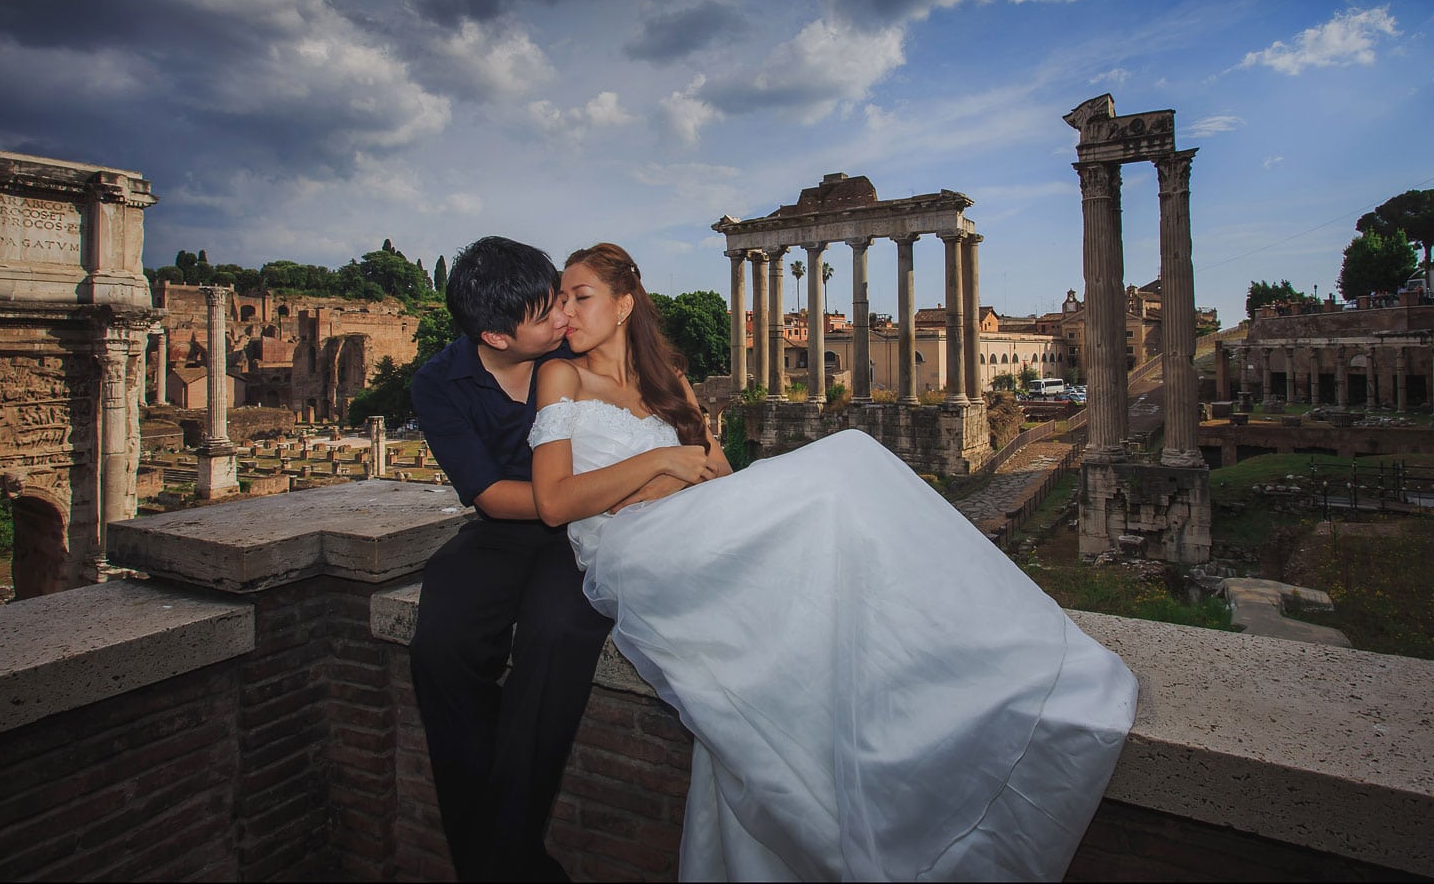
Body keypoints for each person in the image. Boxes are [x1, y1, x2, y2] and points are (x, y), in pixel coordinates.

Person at [527, 243, 1139, 881]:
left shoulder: (668, 382)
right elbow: (555, 501)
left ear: (624, 305)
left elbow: (720, 475)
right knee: (844, 464)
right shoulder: (561, 376)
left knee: (851, 465)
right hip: (629, 550)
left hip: (691, 527)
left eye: (579, 296)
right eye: (562, 298)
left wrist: (676, 477)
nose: (564, 311)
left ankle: (969, 642)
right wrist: (660, 464)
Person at [408, 238, 686, 881]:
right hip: (510, 523)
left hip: (583, 535)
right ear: (497, 337)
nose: (563, 316)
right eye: (546, 312)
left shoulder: (573, 348)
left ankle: (500, 853)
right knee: (440, 647)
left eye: (562, 299)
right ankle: (501, 855)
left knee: (558, 634)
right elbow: (490, 496)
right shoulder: (439, 382)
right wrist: (590, 493)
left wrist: (611, 495)